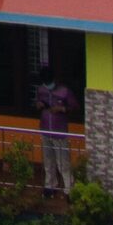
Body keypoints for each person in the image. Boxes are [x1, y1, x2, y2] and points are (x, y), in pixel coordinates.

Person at [34, 65, 77, 198]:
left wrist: (61, 109)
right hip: (46, 130)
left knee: (63, 162)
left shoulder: (64, 91)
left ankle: (69, 188)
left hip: (59, 131)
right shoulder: (41, 90)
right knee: (48, 161)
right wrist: (39, 105)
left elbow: (74, 106)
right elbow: (37, 103)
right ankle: (50, 186)